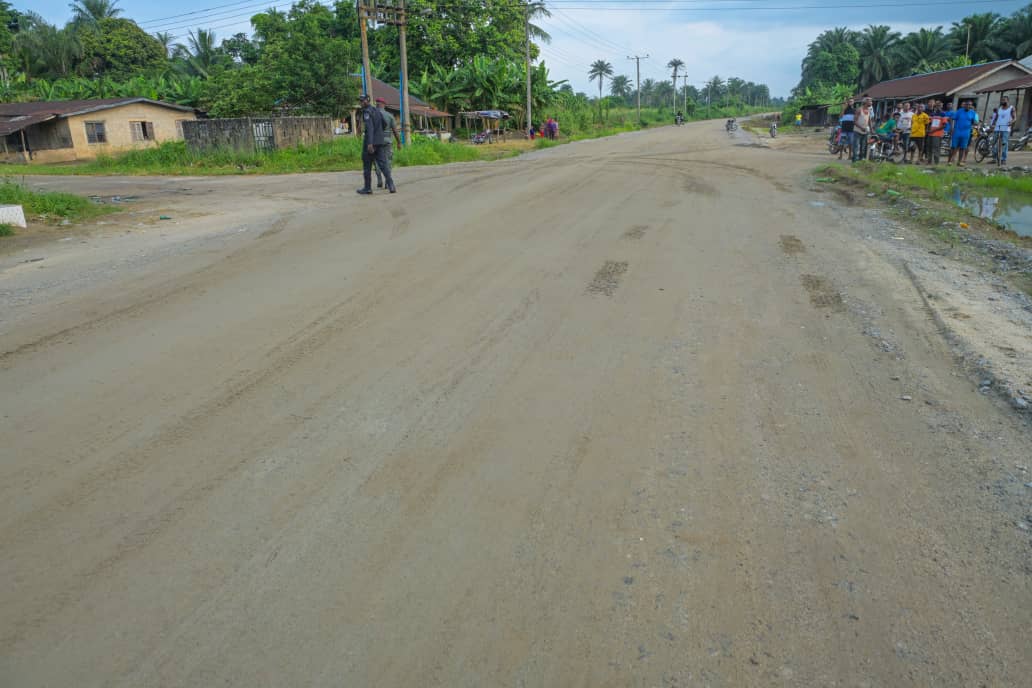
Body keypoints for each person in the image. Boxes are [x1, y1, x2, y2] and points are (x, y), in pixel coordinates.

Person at [356, 94, 395, 195]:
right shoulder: (376, 110)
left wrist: (370, 143)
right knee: (383, 164)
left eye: (361, 101)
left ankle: (367, 188)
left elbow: (369, 128)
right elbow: (384, 124)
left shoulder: (367, 112)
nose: (360, 103)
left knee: (367, 165)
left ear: (366, 101)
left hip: (370, 142)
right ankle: (391, 185)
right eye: (359, 101)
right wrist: (379, 135)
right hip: (380, 141)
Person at [374, 97, 402, 189]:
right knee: (387, 161)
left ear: (377, 104)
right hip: (387, 142)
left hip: (376, 142)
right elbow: (395, 131)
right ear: (384, 105)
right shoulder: (390, 116)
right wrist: (399, 142)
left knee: (377, 161)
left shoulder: (372, 114)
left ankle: (379, 180)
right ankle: (387, 182)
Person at [947, 99, 978, 167]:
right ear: (964, 105)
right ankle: (949, 161)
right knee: (953, 147)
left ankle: (959, 162)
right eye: (967, 104)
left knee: (963, 148)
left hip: (966, 133)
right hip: (957, 132)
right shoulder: (959, 111)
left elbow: (975, 122)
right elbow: (951, 118)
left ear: (971, 106)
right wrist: (951, 128)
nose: (968, 106)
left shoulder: (973, 112)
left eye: (970, 105)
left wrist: (975, 122)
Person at [993, 95, 1016, 165]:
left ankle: (1003, 159)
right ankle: (994, 158)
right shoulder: (999, 108)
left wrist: (1011, 122)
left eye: (1004, 100)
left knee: (1004, 144)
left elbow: (1015, 118)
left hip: (1006, 129)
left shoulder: (1011, 108)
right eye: (1002, 100)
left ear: (1008, 101)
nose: (1002, 101)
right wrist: (993, 124)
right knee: (994, 143)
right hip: (997, 128)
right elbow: (996, 118)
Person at [852, 97, 872, 162]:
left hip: (865, 131)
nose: (871, 102)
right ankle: (855, 161)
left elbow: (869, 120)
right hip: (857, 131)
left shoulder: (868, 110)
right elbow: (854, 121)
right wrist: (861, 128)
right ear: (865, 102)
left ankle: (860, 160)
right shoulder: (859, 110)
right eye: (870, 101)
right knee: (856, 147)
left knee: (863, 147)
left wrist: (871, 129)